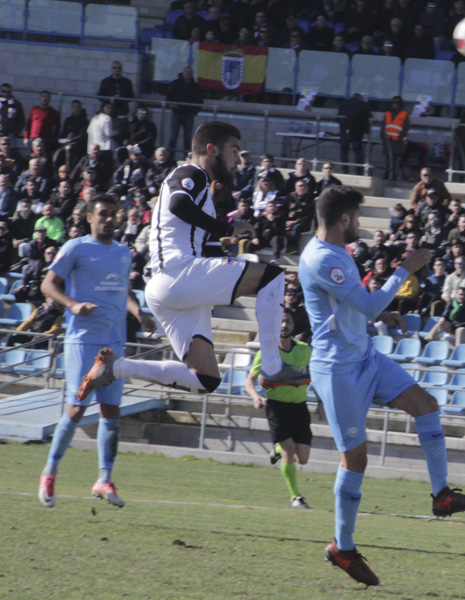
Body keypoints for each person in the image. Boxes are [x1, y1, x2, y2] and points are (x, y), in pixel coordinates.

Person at [298, 186, 465, 586]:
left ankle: (442, 496)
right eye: (358, 218)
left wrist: (385, 312)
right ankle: (342, 548)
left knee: (426, 404)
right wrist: (406, 268)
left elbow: (347, 310)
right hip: (337, 371)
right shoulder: (321, 258)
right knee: (356, 460)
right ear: (345, 219)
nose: (361, 225)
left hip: (364, 356)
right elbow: (365, 304)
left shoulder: (336, 254)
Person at [75, 122, 299, 408]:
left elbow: (198, 239)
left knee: (205, 379)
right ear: (211, 149)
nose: (236, 160)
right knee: (273, 278)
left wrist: (226, 228)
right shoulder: (192, 172)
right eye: (233, 151)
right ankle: (272, 366)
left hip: (167, 289)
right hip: (178, 275)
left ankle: (117, 368)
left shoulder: (198, 186)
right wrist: (224, 228)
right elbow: (179, 205)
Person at [37, 194, 149, 509]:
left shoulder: (123, 252)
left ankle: (104, 478)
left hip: (113, 345)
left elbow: (122, 291)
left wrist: (138, 311)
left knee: (111, 412)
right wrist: (73, 305)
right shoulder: (76, 247)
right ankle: (50, 471)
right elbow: (48, 284)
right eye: (103, 214)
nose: (110, 219)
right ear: (90, 217)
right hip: (83, 340)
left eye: (114, 214)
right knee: (77, 409)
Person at [244, 309, 323, 508]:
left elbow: (316, 379)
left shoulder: (305, 350)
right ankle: (296, 497)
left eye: (287, 321)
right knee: (289, 454)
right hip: (277, 407)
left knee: (302, 459)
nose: (283, 325)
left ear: (293, 325)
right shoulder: (266, 352)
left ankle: (278, 448)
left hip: (300, 407)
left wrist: (321, 402)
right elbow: (249, 381)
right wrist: (255, 397)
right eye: (280, 321)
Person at [165, 66, 202, 159]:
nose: (187, 73)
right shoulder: (176, 83)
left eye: (189, 72)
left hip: (189, 115)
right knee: (173, 137)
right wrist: (170, 105)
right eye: (186, 71)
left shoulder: (196, 86)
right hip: (176, 114)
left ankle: (187, 158)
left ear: (192, 74)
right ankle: (170, 158)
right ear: (183, 73)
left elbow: (200, 101)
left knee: (188, 138)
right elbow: (168, 97)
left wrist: (194, 112)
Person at [338, 93, 371, 174]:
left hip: (345, 130)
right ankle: (358, 171)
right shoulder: (363, 104)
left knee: (344, 151)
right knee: (357, 152)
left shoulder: (345, 103)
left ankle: (345, 169)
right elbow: (368, 116)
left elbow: (338, 117)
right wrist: (366, 131)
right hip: (357, 132)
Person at [380, 96, 410, 181]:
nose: (395, 104)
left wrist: (399, 139)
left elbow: (405, 128)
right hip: (388, 141)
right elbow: (383, 127)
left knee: (393, 161)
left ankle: (390, 177)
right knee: (389, 160)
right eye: (394, 102)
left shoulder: (404, 114)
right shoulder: (387, 114)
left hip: (397, 142)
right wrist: (384, 138)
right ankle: (389, 177)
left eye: (397, 103)